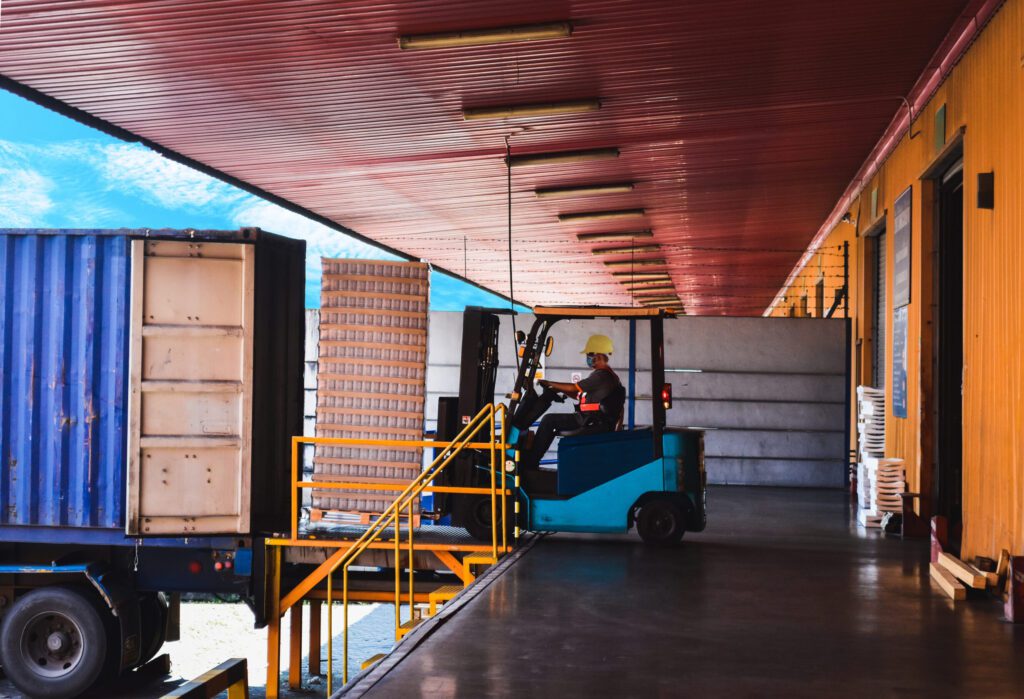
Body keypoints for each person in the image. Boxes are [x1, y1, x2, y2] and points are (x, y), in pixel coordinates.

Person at [514, 334, 624, 472]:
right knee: (551, 421)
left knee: (549, 420)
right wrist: (554, 389)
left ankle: (530, 462)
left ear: (600, 356)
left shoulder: (601, 376)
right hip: (593, 419)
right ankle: (532, 460)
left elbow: (573, 387)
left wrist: (549, 383)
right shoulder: (607, 376)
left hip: (589, 420)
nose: (588, 358)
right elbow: (578, 395)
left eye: (590, 354)